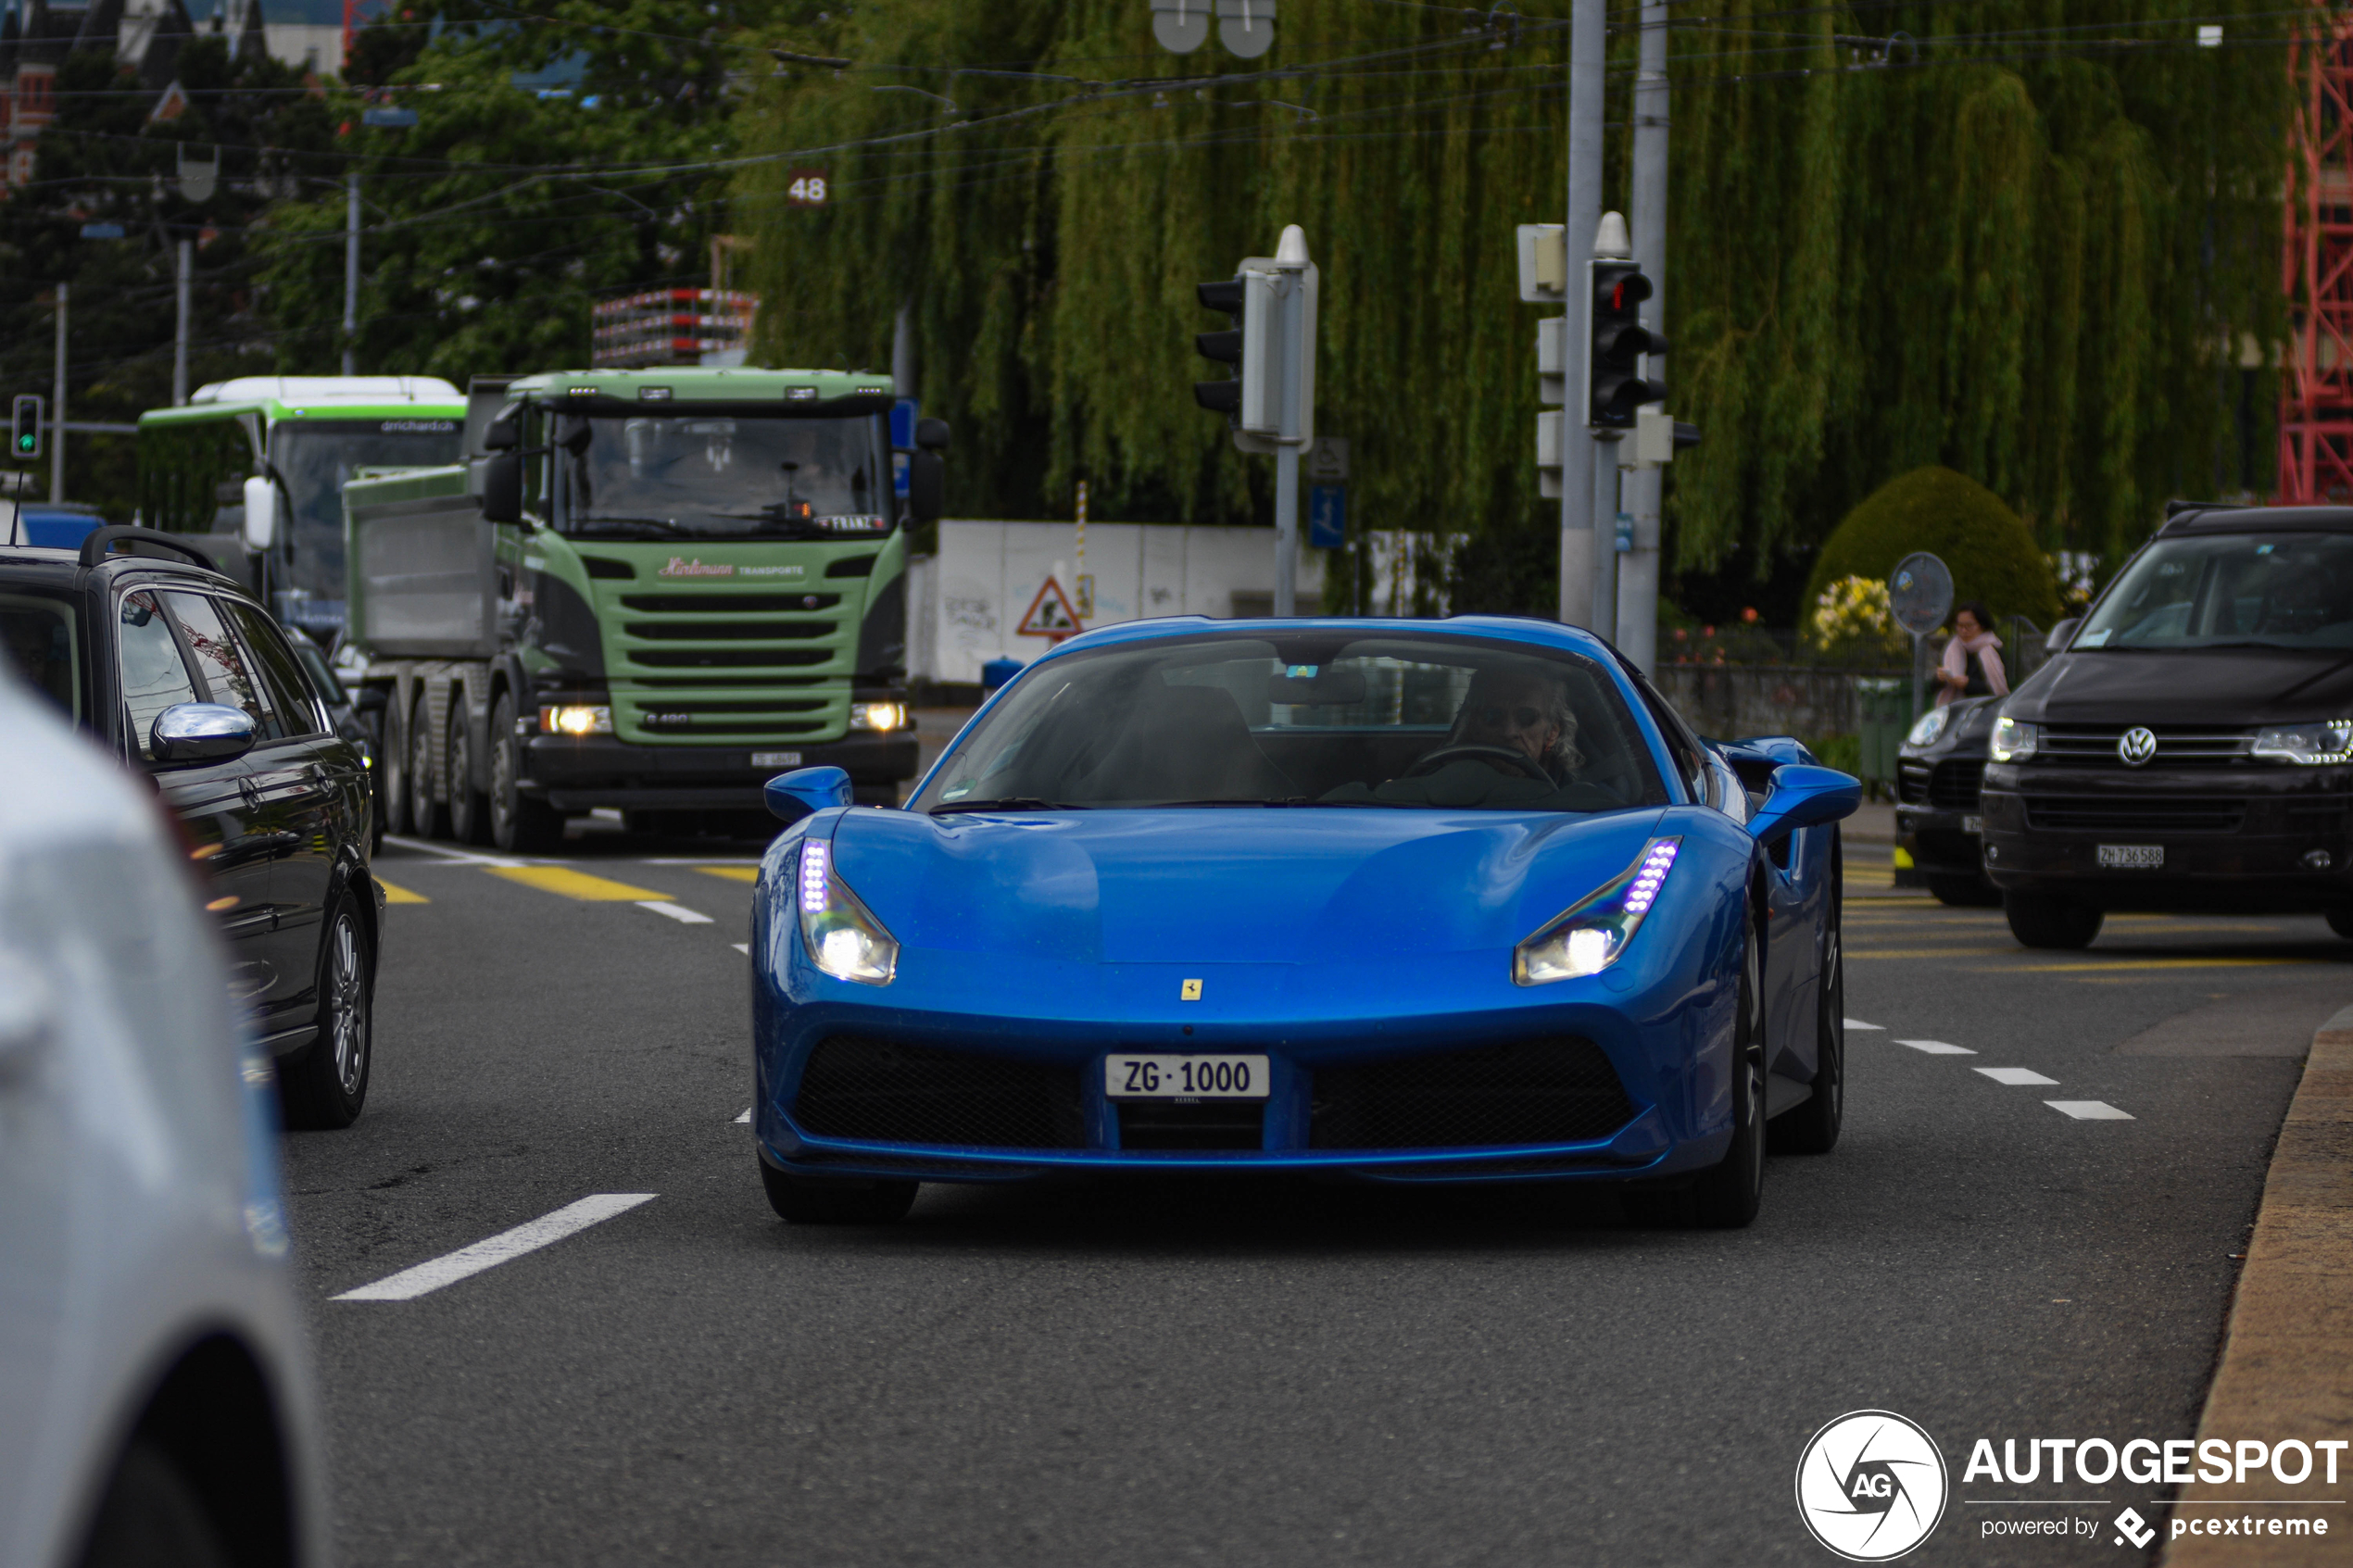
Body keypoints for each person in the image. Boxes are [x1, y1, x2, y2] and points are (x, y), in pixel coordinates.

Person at [1442, 667, 1582, 781]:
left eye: (1526, 718)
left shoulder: (1575, 801)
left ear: (1553, 733)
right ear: (1474, 726)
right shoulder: (1444, 786)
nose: (1509, 732)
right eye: (1493, 716)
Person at [1935, 600, 2007, 707]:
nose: (1963, 631)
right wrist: (1939, 678)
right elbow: (1932, 688)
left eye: (1969, 626)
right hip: (1954, 711)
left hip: (1984, 711)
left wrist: (1968, 684)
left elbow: (1999, 688)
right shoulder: (1951, 649)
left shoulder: (1993, 649)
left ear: (1981, 625)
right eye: (1960, 626)